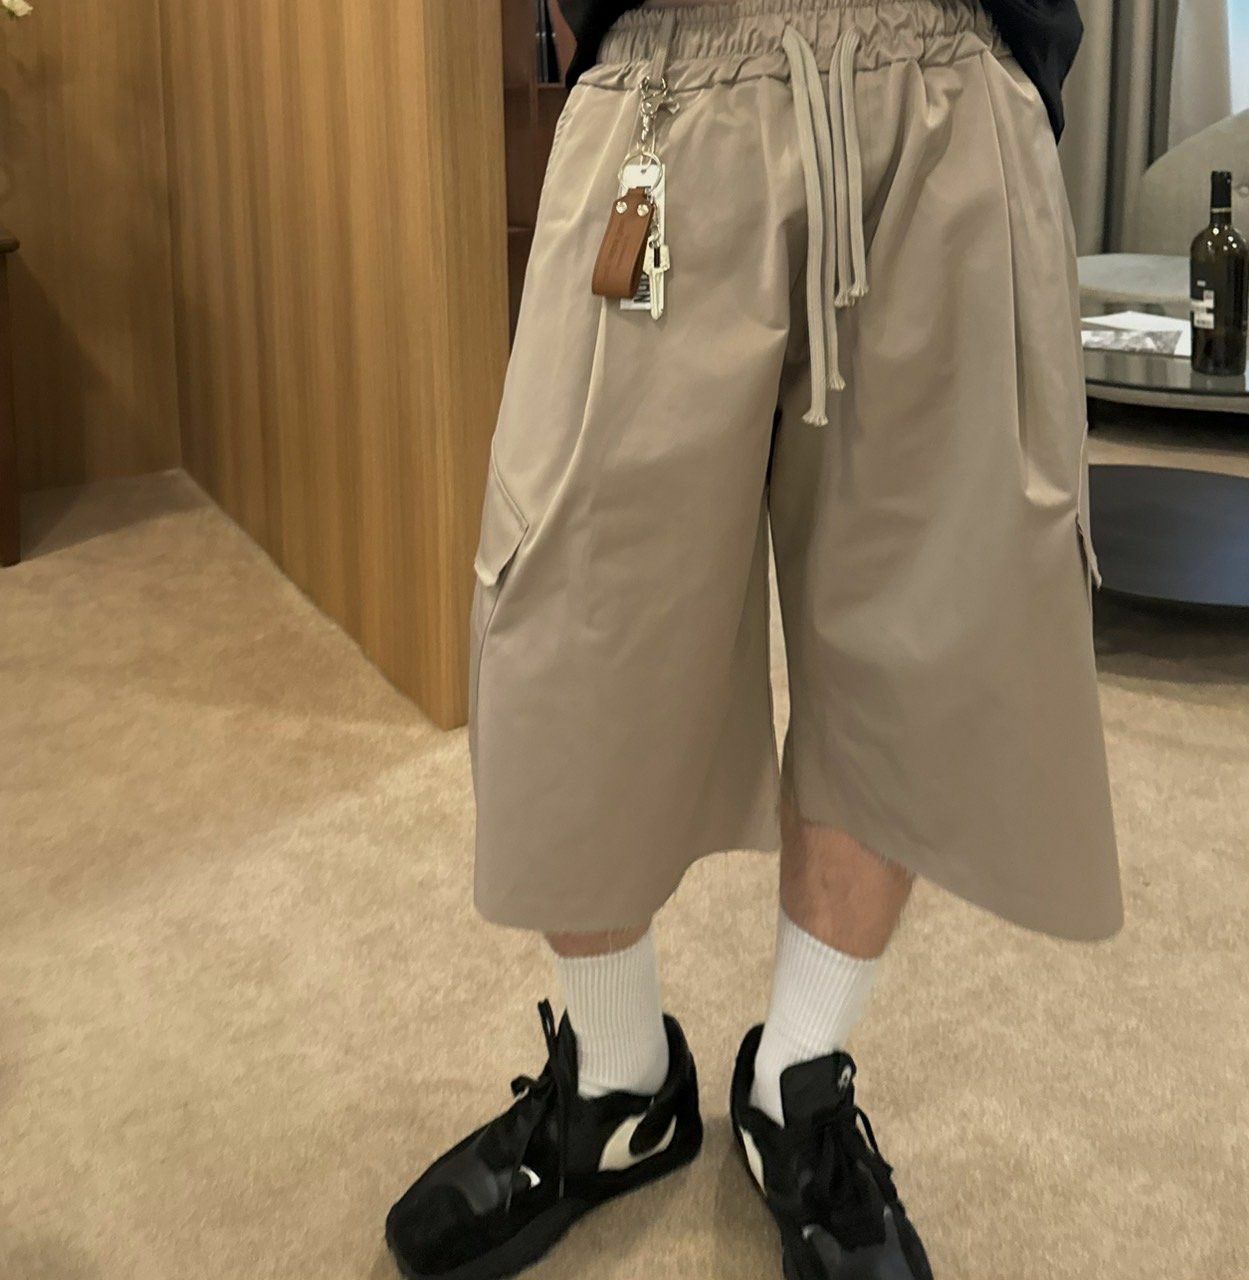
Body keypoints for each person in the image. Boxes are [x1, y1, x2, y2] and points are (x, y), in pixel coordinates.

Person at [385, 0, 1122, 1276]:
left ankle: (796, 1079)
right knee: (573, 615)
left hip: (946, 79)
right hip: (665, 73)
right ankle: (617, 1078)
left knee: (920, 637)